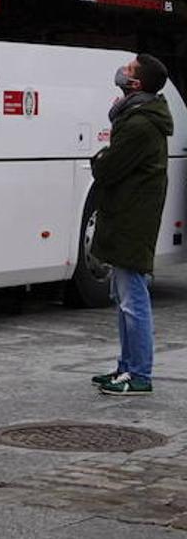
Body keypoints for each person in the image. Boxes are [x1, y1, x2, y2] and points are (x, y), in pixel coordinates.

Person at [91, 53, 173, 396]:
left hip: (131, 219)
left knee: (133, 299)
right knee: (123, 296)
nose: (123, 71)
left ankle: (139, 374)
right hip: (127, 216)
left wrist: (99, 158)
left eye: (129, 69)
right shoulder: (137, 116)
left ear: (136, 84)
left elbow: (109, 167)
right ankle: (126, 367)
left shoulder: (139, 124)